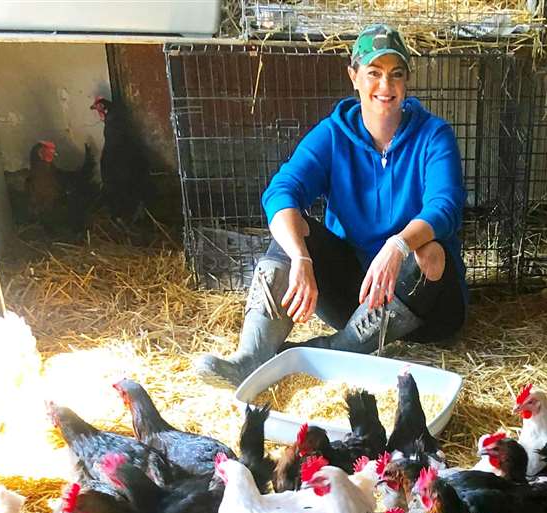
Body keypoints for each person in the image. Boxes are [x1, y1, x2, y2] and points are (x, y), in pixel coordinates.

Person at [196, 25, 467, 388]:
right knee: (294, 225)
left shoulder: (434, 134)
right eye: (373, 73)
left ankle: (335, 350)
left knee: (429, 251)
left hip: (428, 307)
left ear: (406, 82)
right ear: (354, 77)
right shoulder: (333, 134)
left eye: (396, 75)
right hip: (358, 300)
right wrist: (300, 258)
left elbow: (445, 206)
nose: (385, 87)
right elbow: (280, 192)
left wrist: (398, 245)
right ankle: (251, 358)